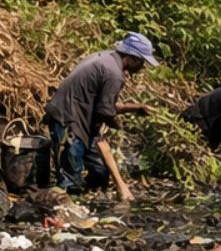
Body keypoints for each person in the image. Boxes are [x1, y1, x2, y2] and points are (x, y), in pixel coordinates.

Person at [43, 32, 154, 193]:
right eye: (141, 62)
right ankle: (67, 207)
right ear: (132, 58)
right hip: (68, 120)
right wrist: (119, 127)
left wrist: (136, 107)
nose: (142, 67)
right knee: (70, 179)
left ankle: (88, 199)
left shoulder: (103, 58)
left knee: (100, 171)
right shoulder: (114, 74)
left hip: (77, 119)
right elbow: (105, 112)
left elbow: (103, 104)